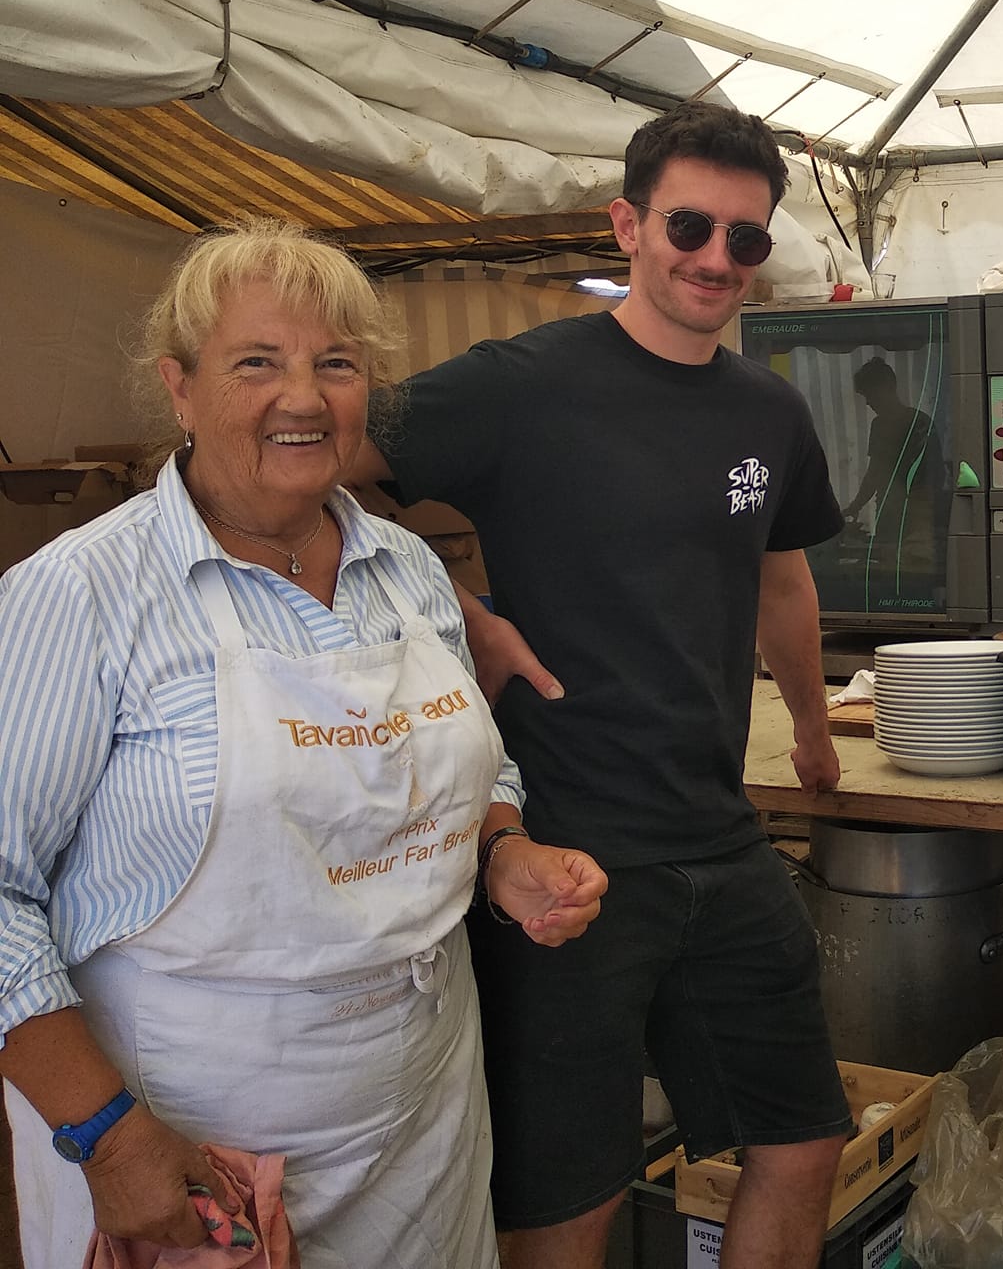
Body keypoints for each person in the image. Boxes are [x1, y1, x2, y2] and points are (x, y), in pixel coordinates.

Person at [0, 222, 606, 1269]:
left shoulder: (407, 567)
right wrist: (104, 1134)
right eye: (255, 363)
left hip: (423, 1119)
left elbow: (470, 762)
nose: (303, 397)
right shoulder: (80, 594)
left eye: (336, 363)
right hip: (194, 1145)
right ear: (180, 389)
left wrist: (502, 848)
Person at [350, 101, 851, 1269]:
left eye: (744, 238)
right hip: (559, 849)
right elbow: (316, 465)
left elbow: (781, 581)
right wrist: (454, 610)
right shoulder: (520, 384)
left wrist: (814, 732)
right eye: (689, 226)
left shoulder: (768, 411)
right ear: (628, 226)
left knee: (803, 1142)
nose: (715, 258)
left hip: (718, 834)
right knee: (568, 1198)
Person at [842, 355, 941, 579]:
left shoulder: (919, 424)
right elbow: (875, 473)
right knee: (886, 569)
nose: (868, 402)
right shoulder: (880, 425)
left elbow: (934, 475)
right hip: (888, 512)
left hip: (917, 515)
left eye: (870, 394)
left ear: (888, 387)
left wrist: (856, 505)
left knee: (914, 569)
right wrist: (855, 506)